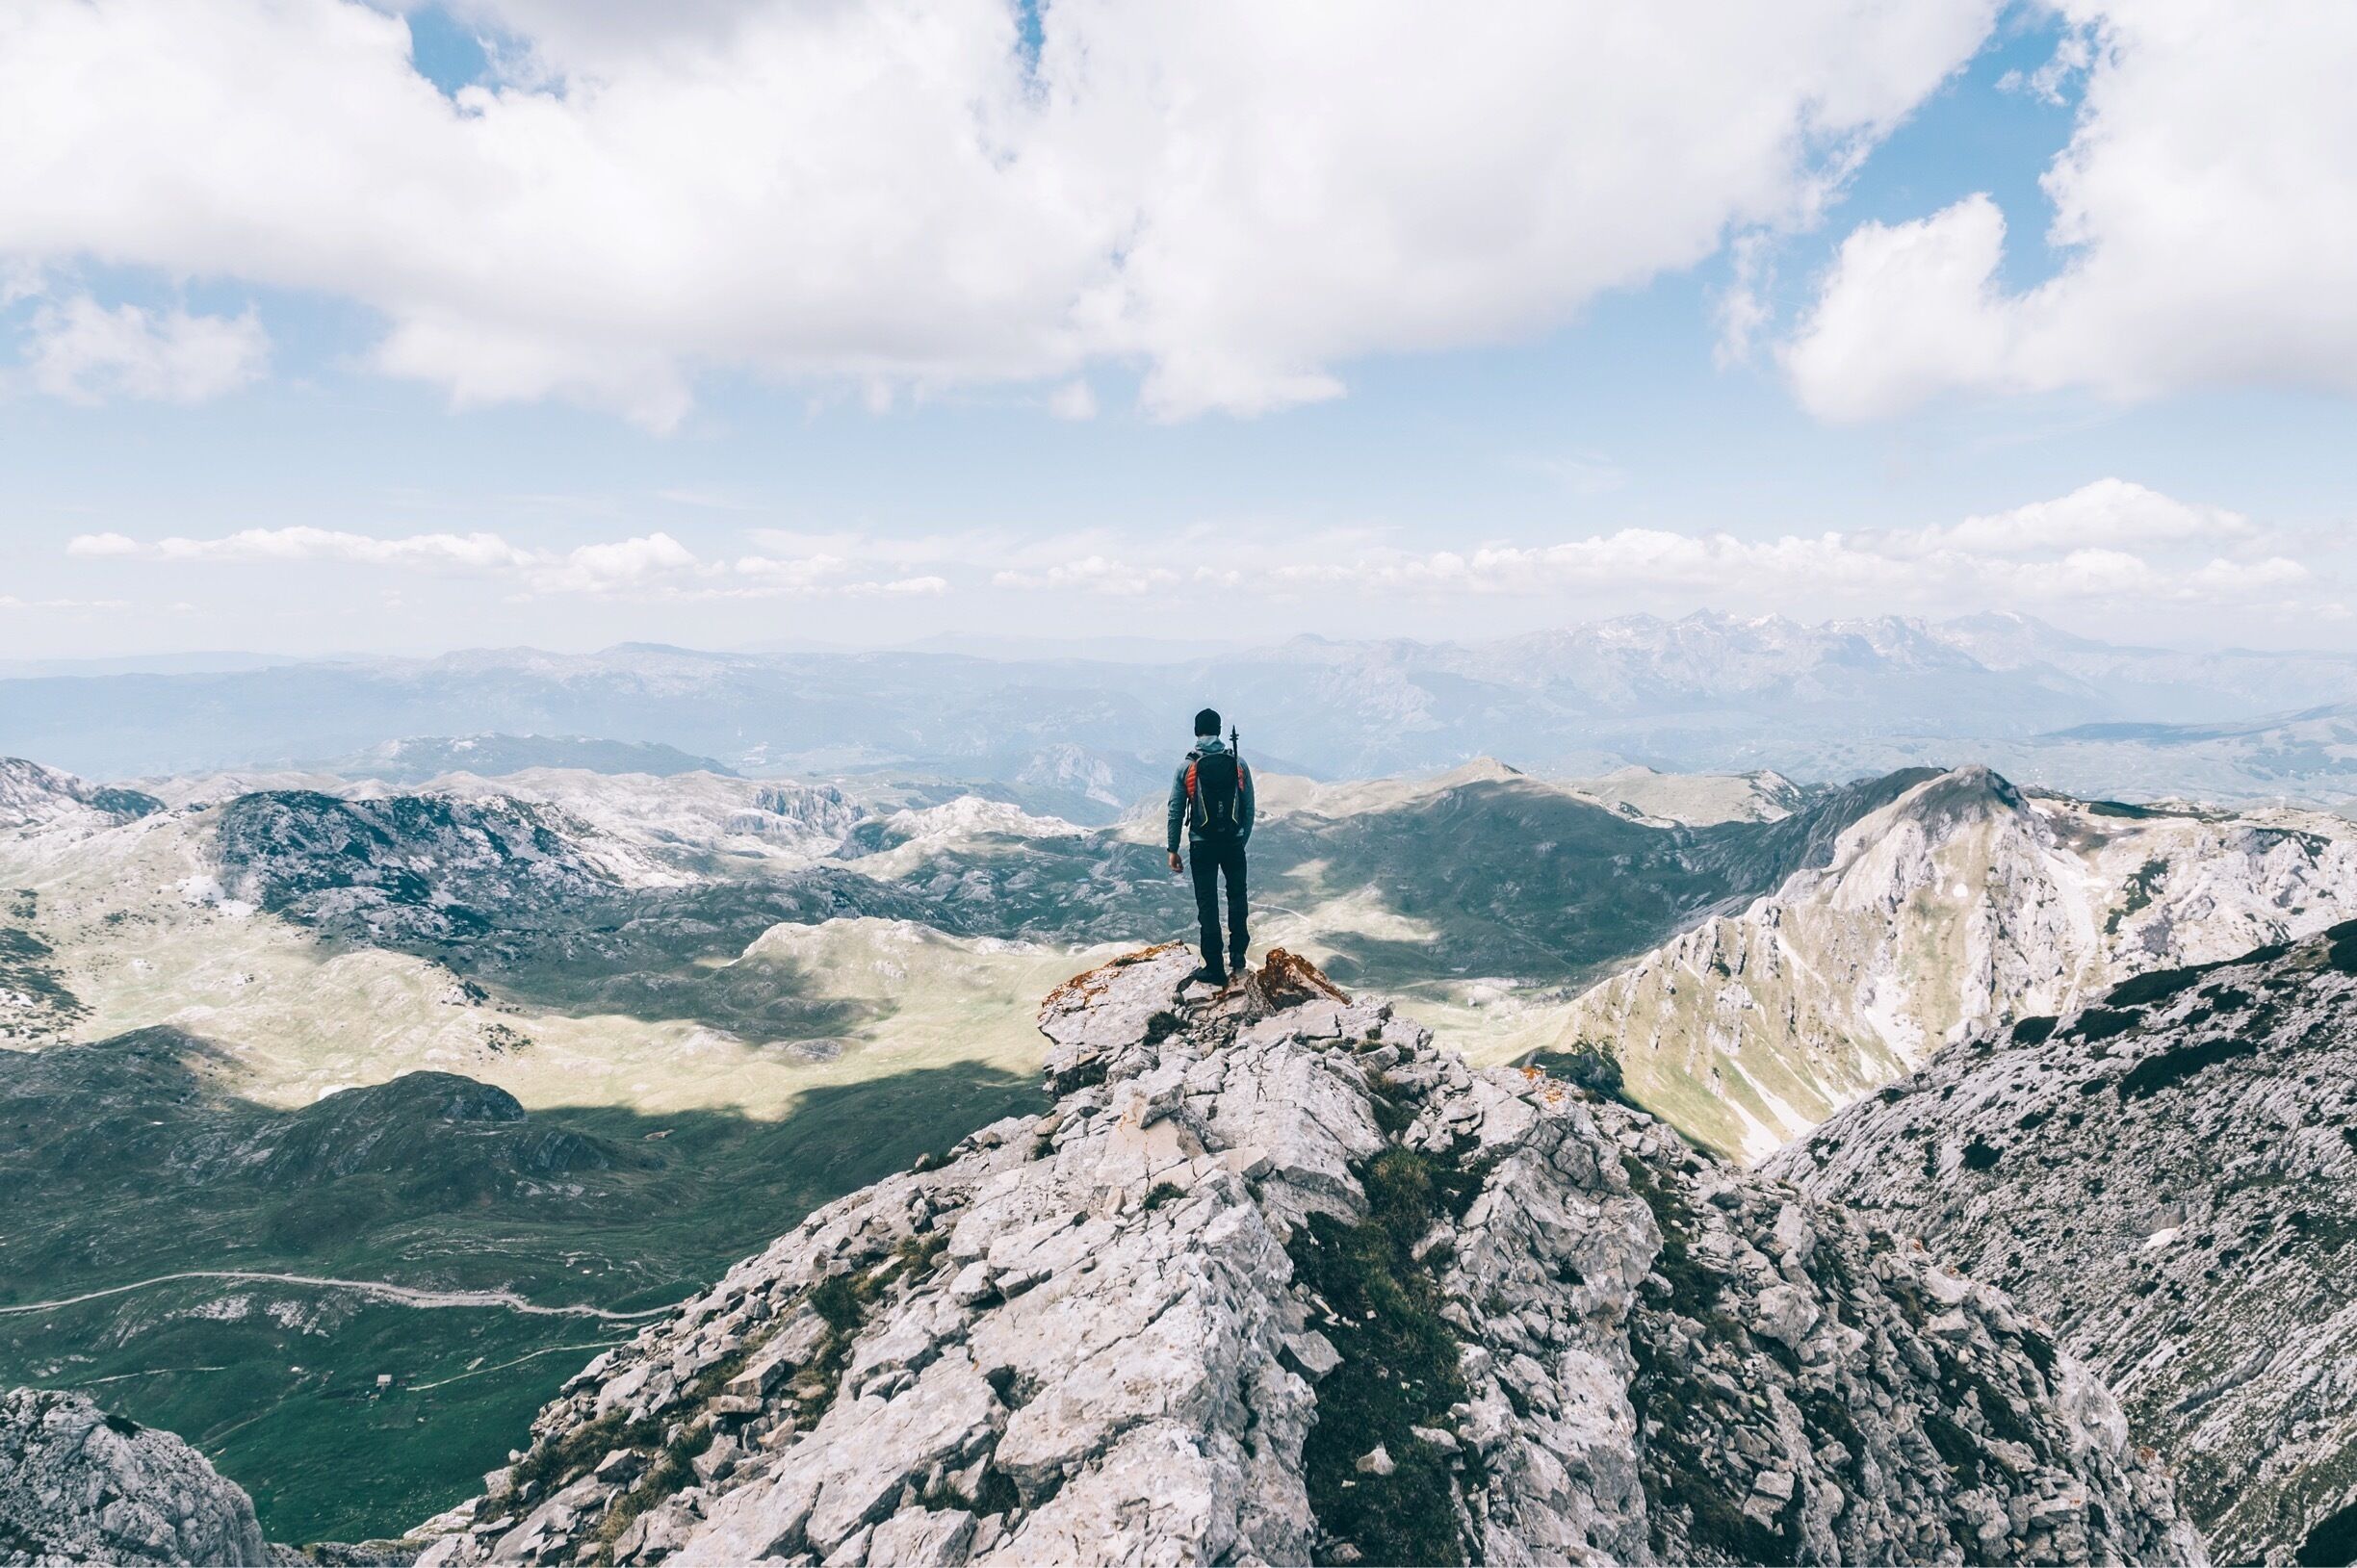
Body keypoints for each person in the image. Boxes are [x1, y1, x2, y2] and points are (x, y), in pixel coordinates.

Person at [1166, 707, 1254, 987]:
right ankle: (1238, 954)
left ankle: (1214, 967)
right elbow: (1248, 807)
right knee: (1237, 896)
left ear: (1196, 732)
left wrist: (1172, 848)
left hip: (1201, 845)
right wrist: (1241, 838)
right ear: (1218, 730)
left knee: (1208, 905)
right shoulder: (1237, 763)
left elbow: (1175, 810)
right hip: (1233, 842)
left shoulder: (1187, 766)